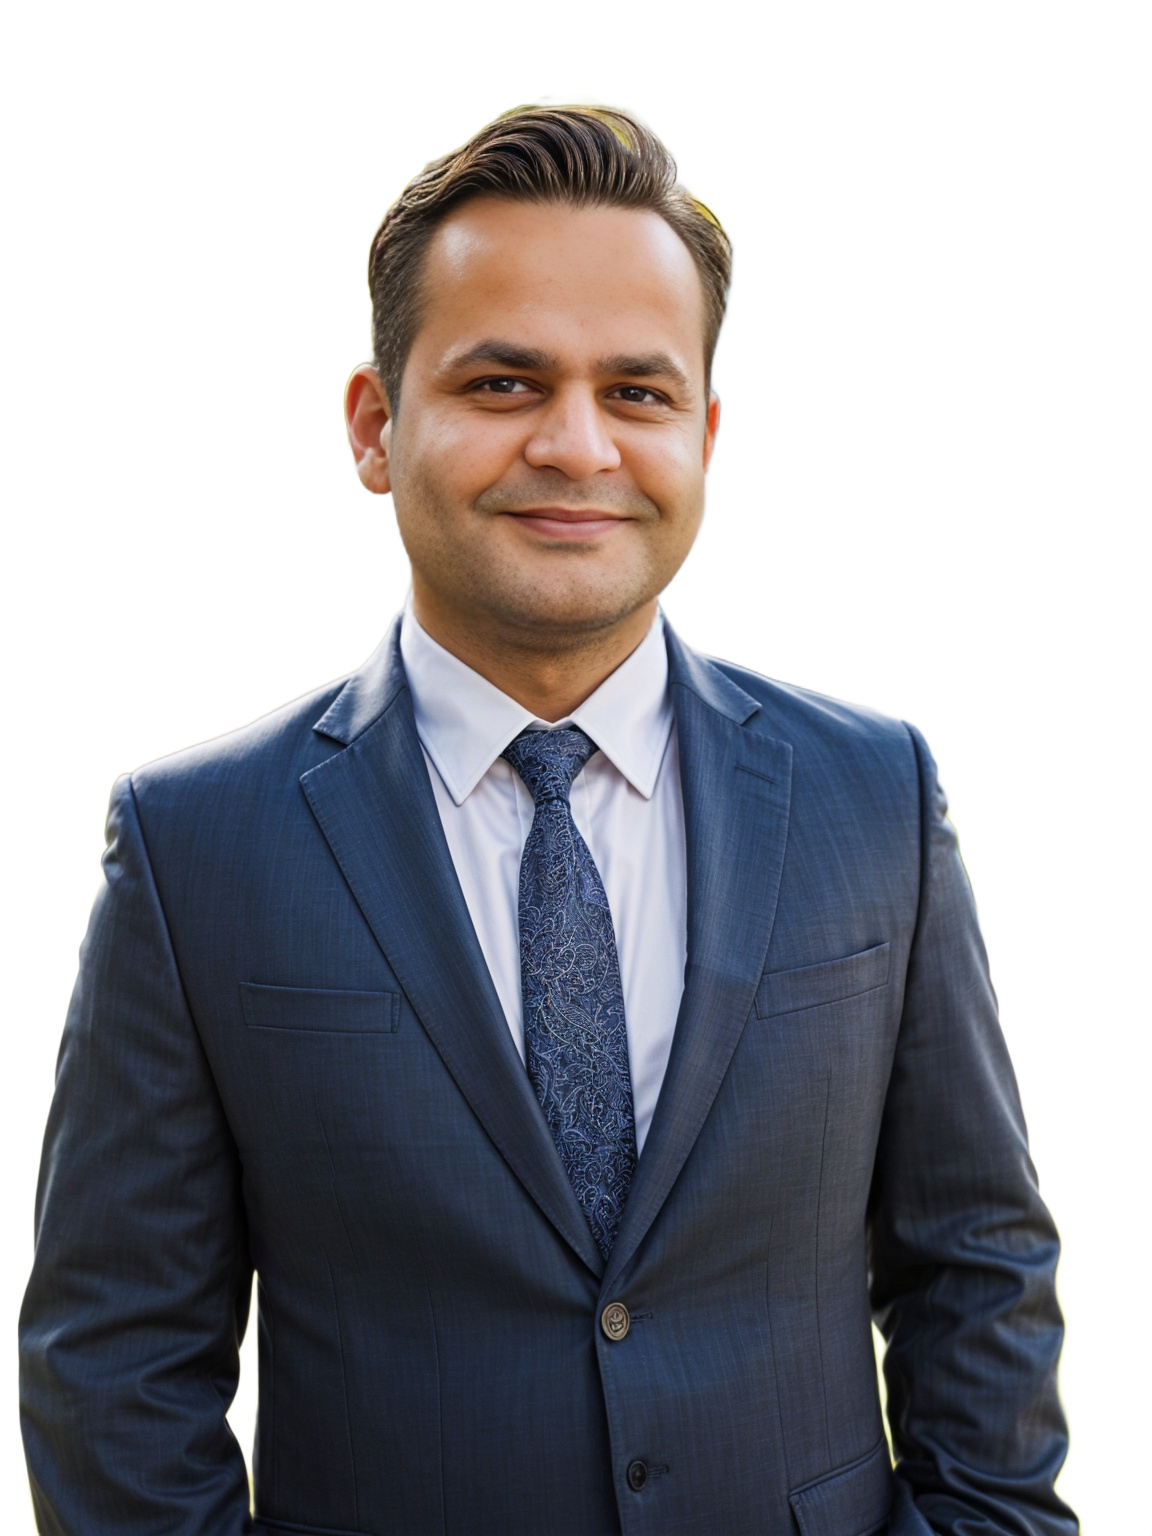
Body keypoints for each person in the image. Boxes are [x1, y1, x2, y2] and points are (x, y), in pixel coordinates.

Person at [17, 94, 1077, 1535]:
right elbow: (116, 1351)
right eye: (504, 384)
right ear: (376, 428)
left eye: (636, 393)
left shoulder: (871, 791)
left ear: (703, 436)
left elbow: (977, 1260)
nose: (577, 446)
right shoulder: (193, 842)